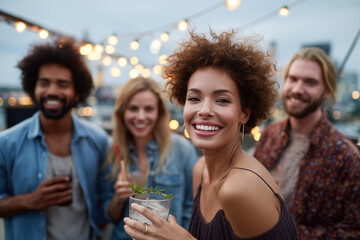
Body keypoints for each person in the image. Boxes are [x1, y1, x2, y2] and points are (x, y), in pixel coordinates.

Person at [122, 30, 298, 240]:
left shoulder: (239, 188)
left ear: (244, 113)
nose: (204, 110)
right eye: (194, 98)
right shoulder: (200, 171)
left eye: (222, 100)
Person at [0, 38, 113, 240]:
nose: (52, 91)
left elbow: (105, 205)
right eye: (44, 83)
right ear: (33, 88)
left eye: (62, 84)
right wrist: (30, 200)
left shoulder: (99, 141)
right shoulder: (6, 144)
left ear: (77, 93)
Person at [253, 47, 360, 239]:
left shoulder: (344, 155)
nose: (297, 89)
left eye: (310, 82)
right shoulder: (269, 136)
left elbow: (353, 231)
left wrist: (286, 233)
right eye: (293, 79)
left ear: (326, 91)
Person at [105, 76, 198, 240]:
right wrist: (118, 199)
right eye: (133, 108)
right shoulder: (112, 151)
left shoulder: (182, 149)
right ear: (122, 112)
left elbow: (192, 210)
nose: (141, 117)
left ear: (159, 112)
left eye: (148, 109)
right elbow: (107, 217)